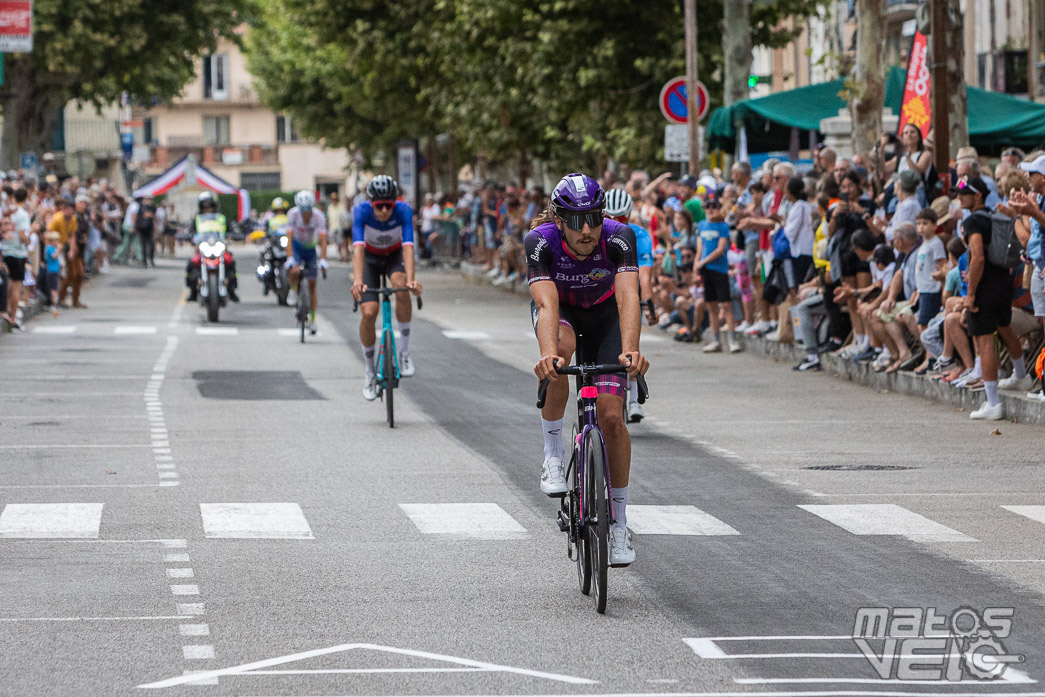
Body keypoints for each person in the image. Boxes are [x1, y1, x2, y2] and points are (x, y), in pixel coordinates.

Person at [525, 172, 649, 567]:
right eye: (576, 221)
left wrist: (631, 352)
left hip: (605, 316)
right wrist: (548, 357)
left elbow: (630, 297)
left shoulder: (619, 237)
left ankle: (618, 524)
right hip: (562, 314)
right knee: (560, 355)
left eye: (593, 218)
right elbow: (546, 306)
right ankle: (553, 455)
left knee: (613, 417)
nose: (587, 230)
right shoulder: (540, 242)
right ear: (559, 220)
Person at [958, 176, 1026, 420]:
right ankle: (1021, 376)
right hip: (1002, 281)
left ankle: (993, 403)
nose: (959, 197)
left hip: (984, 286)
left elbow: (977, 257)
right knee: (1004, 328)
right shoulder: (995, 216)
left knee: (985, 341)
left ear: (978, 196)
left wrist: (971, 294)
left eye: (965, 193)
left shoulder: (973, 221)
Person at [350, 175, 422, 400]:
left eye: (387, 206)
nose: (383, 211)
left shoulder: (404, 211)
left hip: (394, 256)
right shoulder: (361, 212)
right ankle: (370, 371)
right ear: (371, 203)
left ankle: (405, 353)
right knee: (369, 312)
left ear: (395, 202)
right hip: (370, 259)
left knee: (401, 286)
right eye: (378, 206)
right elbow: (358, 250)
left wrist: (412, 280)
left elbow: (408, 247)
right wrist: (358, 281)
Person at [605, 188, 655, 423]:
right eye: (611, 218)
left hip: (627, 298)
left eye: (621, 219)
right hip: (604, 298)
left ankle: (634, 399)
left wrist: (650, 301)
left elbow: (644, 276)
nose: (616, 224)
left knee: (630, 347)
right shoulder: (598, 233)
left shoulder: (640, 236)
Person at [695, 196, 740, 353]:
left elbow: (721, 249)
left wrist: (703, 261)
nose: (711, 209)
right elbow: (700, 246)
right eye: (708, 207)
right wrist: (696, 263)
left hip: (719, 269)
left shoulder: (722, 226)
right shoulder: (702, 225)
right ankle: (716, 340)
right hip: (706, 269)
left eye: (714, 206)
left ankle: (732, 339)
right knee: (711, 304)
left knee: (726, 304)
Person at [284, 190, 328, 335]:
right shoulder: (292, 214)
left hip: (310, 249)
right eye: (302, 210)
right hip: (297, 247)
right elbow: (288, 238)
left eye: (307, 210)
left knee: (312, 285)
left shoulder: (318, 216)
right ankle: (292, 290)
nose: (305, 213)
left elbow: (323, 239)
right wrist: (290, 257)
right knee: (294, 270)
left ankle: (313, 321)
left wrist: (323, 259)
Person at [186, 191, 239, 302]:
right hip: (203, 248)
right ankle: (193, 292)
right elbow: (189, 231)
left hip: (219, 247)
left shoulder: (221, 218)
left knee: (231, 262)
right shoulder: (197, 219)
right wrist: (188, 236)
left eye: (210, 206)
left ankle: (232, 290)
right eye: (205, 207)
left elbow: (231, 229)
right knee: (191, 264)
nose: (207, 209)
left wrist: (234, 233)